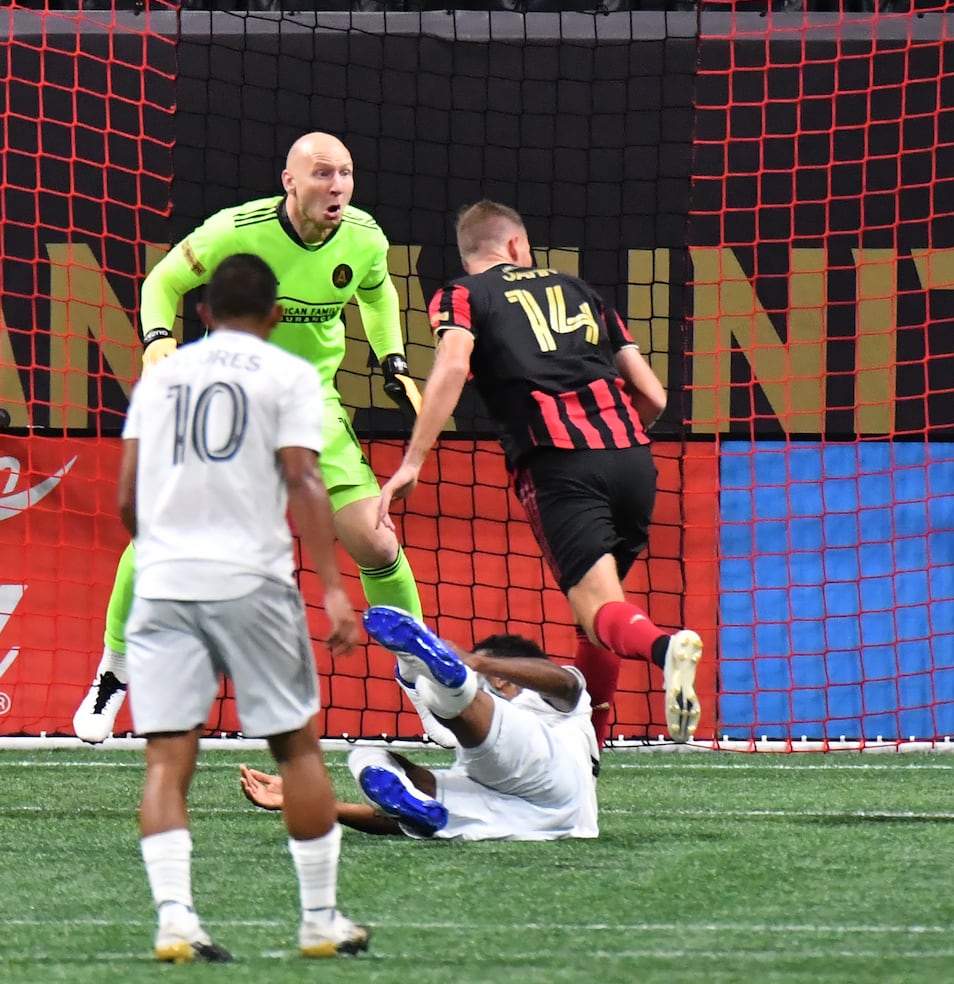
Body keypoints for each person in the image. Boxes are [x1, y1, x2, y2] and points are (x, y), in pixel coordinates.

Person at [74, 131, 454, 748]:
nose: (337, 187)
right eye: (323, 174)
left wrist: (392, 358)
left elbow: (377, 291)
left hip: (311, 407)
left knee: (377, 542)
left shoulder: (363, 237)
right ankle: (114, 669)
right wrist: (154, 339)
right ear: (291, 182)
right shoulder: (235, 230)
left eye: (346, 175)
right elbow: (162, 283)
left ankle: (420, 675)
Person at [378, 200, 702, 745]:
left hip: (557, 461)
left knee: (600, 609)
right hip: (632, 460)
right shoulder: (581, 291)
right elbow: (653, 395)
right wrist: (615, 437)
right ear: (516, 246)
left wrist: (413, 461)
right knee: (599, 618)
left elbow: (454, 365)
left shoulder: (461, 293)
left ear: (474, 251)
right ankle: (592, 752)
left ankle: (665, 648)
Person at [119, 254, 369, 962]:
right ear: (278, 315)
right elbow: (304, 478)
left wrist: (164, 554)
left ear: (201, 314)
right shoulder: (289, 375)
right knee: (297, 749)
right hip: (252, 581)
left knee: (167, 761)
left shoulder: (159, 376)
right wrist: (330, 586)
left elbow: (124, 499)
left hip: (164, 581)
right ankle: (319, 920)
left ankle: (175, 921)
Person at [239, 606, 599, 842]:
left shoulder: (554, 706)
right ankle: (437, 677)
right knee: (367, 756)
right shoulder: (491, 758)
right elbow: (401, 820)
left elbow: (567, 684)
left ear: (505, 680)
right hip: (530, 819)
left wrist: (478, 663)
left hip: (555, 784)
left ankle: (443, 677)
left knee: (447, 693)